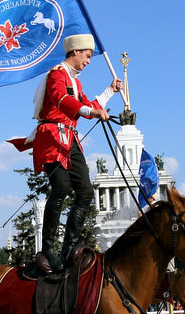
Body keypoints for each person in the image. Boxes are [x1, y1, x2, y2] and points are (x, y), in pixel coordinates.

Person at [29, 34, 121, 273]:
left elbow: (86, 104)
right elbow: (63, 101)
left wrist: (110, 91)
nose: (89, 61)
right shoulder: (56, 74)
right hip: (51, 136)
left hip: (70, 139)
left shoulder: (75, 82)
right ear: (76, 51)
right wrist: (91, 113)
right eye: (88, 56)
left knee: (85, 192)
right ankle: (48, 247)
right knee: (60, 187)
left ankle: (69, 247)